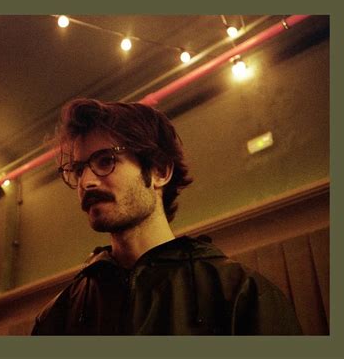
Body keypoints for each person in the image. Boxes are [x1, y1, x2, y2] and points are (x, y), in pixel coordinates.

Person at [31, 98, 302, 335]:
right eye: (78, 170)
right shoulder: (58, 316)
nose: (86, 182)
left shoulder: (242, 294)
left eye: (105, 161)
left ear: (160, 171)